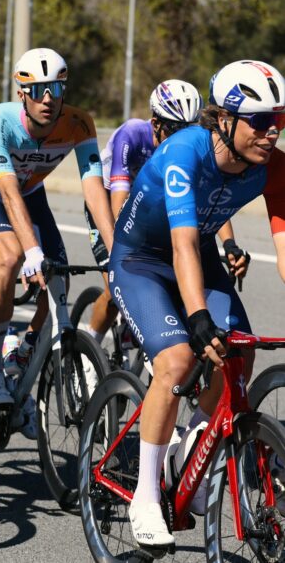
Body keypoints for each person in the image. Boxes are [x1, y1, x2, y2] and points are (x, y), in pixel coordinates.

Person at [110, 59, 285, 549]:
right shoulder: (183, 153)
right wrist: (199, 318)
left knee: (242, 352)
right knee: (179, 358)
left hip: (198, 254)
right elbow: (182, 245)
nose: (272, 134)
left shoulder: (273, 168)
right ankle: (145, 493)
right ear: (224, 120)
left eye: (281, 121)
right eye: (261, 121)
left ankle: (193, 441)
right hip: (142, 260)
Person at [0, 48, 114, 438]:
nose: (48, 98)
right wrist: (31, 251)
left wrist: (117, 253)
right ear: (22, 92)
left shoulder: (79, 123)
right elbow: (7, 193)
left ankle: (24, 352)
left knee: (58, 280)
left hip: (31, 193)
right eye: (38, 89)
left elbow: (95, 194)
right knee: (10, 259)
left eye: (56, 88)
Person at [84, 80, 250, 348]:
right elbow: (119, 199)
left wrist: (229, 243)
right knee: (114, 280)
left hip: (156, 204)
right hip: (112, 198)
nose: (181, 137)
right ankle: (91, 341)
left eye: (189, 129)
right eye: (174, 129)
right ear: (155, 123)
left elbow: (207, 202)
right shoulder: (132, 134)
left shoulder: (192, 150)